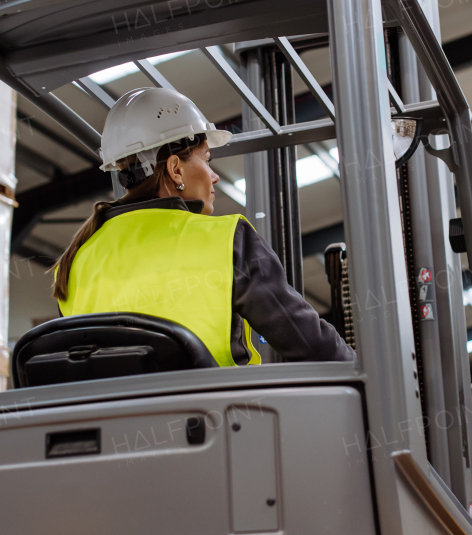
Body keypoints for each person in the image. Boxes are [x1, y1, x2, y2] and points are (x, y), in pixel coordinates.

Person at [53, 86, 354, 366]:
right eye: (207, 160)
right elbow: (313, 347)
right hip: (217, 419)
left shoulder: (75, 260)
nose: (214, 176)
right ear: (175, 169)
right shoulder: (225, 240)